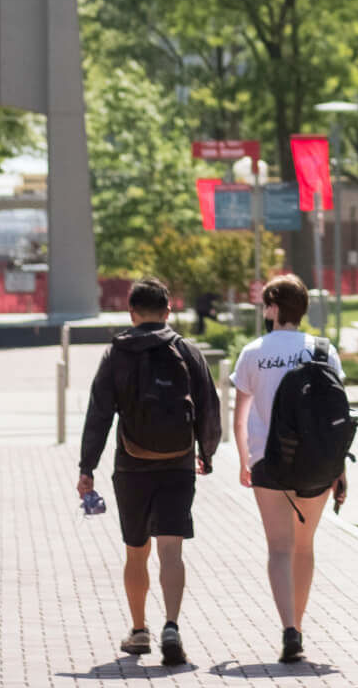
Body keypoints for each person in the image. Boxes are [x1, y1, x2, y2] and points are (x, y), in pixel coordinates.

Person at [78, 277, 220, 667]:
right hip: (177, 462)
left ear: (131, 312)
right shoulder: (187, 351)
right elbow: (209, 405)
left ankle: (139, 630)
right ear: (168, 310)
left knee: (136, 550)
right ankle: (171, 626)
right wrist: (206, 453)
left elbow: (99, 414)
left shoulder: (117, 354)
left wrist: (86, 466)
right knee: (171, 549)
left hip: (131, 464)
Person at [230, 274, 349, 665]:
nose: (264, 311)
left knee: (278, 548)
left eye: (266, 305)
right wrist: (340, 470)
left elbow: (241, 414)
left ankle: (289, 630)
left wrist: (245, 459)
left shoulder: (253, 352)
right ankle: (300, 622)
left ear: (274, 307)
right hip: (317, 463)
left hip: (269, 461)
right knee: (304, 546)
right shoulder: (323, 350)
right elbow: (338, 413)